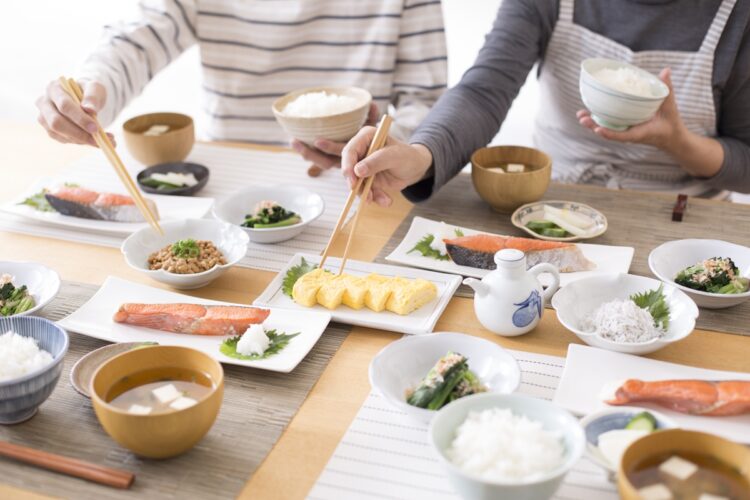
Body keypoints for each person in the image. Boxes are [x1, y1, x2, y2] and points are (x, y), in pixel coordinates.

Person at [342, 0, 750, 207]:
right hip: (550, 202)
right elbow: (485, 89)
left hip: (679, 219)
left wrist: (677, 142)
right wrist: (420, 154)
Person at [35, 0, 447, 170]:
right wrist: (87, 91)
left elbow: (424, 102)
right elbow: (137, 42)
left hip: (363, 184)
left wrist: (392, 148)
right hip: (230, 179)